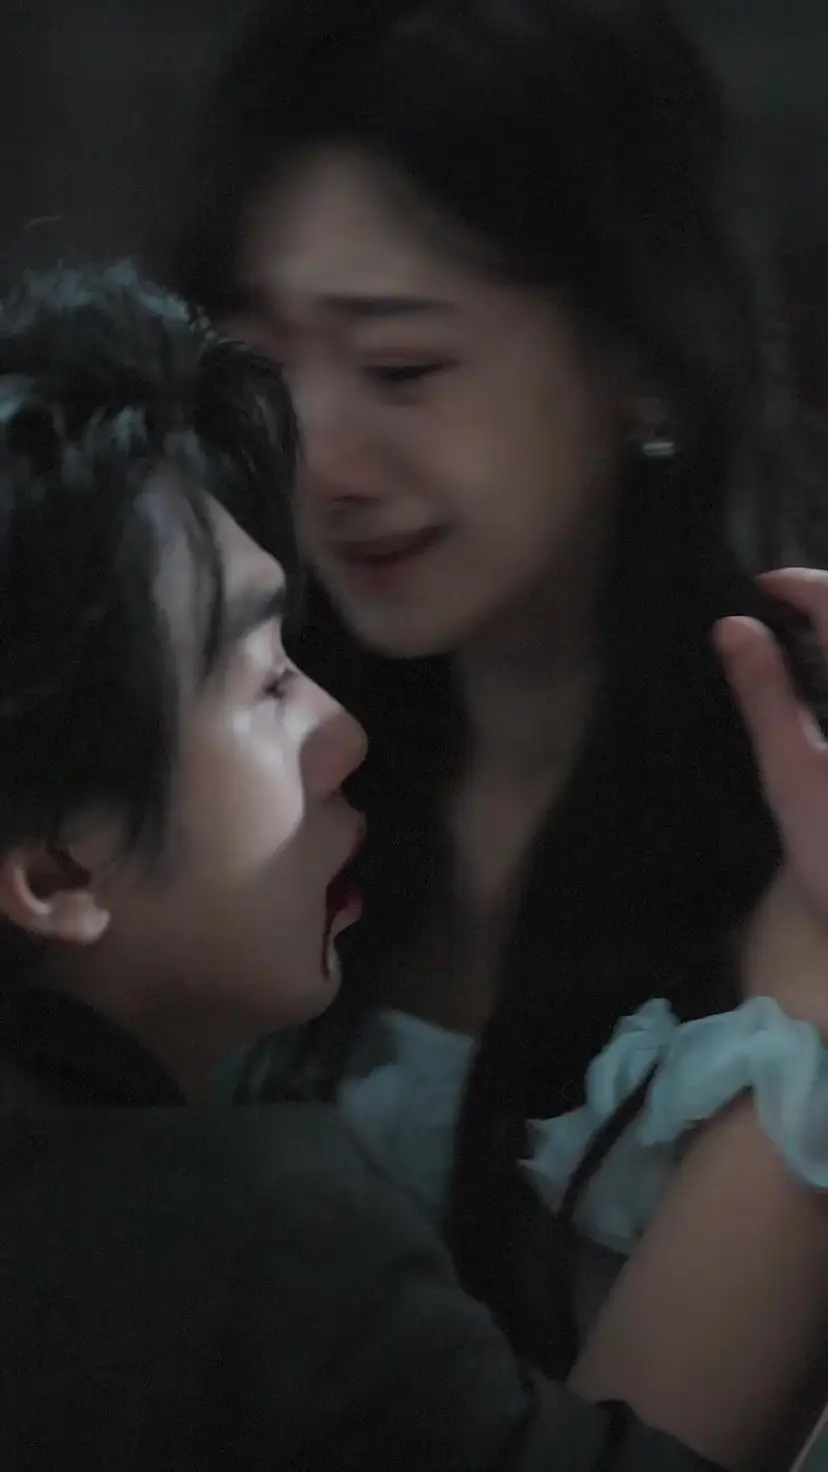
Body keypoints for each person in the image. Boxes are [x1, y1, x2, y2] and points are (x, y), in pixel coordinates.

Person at [169, 1, 828, 1466]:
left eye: (403, 368)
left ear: (642, 355)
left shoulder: (800, 812)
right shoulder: (249, 744)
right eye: (265, 361)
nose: (319, 459)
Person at [0, 260, 732, 1472]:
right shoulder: (254, 1254)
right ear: (54, 868)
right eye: (264, 683)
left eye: (400, 365)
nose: (341, 733)